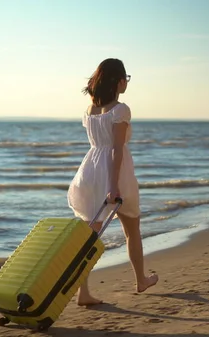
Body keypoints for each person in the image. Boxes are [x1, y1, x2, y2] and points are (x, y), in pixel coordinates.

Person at [67, 58, 159, 306]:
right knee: (132, 229)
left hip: (89, 170)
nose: (126, 83)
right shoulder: (121, 110)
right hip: (114, 173)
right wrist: (114, 185)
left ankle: (83, 293)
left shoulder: (90, 110)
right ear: (118, 81)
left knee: (90, 236)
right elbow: (117, 149)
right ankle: (140, 280)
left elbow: (103, 145)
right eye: (126, 78)